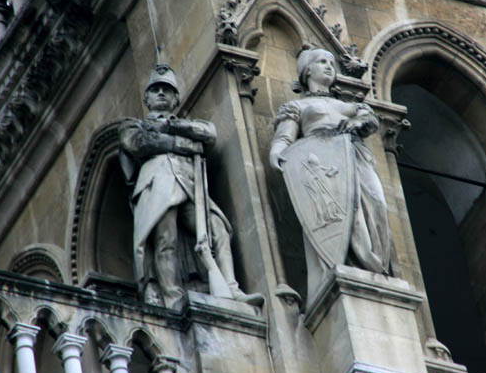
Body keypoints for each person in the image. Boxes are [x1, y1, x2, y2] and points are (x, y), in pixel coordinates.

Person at [119, 64, 263, 310]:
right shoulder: (132, 124)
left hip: (189, 184)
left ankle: (231, 288)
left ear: (176, 99)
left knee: (218, 229)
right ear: (147, 98)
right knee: (166, 240)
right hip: (157, 183)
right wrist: (183, 144)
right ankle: (173, 301)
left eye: (167, 90)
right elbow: (139, 143)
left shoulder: (183, 123)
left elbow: (209, 133)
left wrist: (172, 128)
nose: (161, 93)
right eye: (156, 89)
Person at [270, 46, 393, 302]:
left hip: (355, 157)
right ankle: (356, 263)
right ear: (307, 71)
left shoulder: (346, 105)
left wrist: (357, 123)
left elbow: (370, 122)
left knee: (377, 203)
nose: (328, 66)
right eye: (322, 62)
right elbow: (285, 137)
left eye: (330, 62)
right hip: (325, 165)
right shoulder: (298, 106)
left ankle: (378, 263)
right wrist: (277, 152)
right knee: (349, 211)